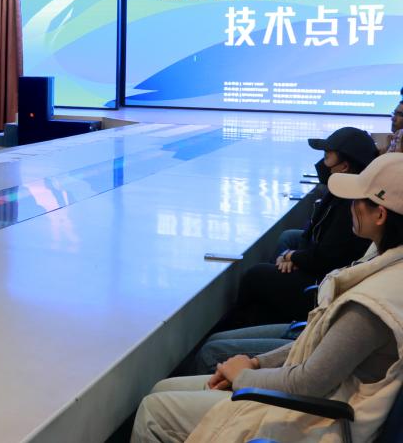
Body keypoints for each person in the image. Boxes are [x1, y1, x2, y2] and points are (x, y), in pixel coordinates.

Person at [132, 153, 403, 443]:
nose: (351, 206)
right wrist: (256, 364)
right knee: (161, 389)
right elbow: (320, 347)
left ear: (380, 215)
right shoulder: (384, 263)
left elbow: (309, 382)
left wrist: (243, 377)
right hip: (313, 398)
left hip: (312, 419)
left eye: (357, 200)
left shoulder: (369, 305)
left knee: (153, 411)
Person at [217, 127, 377, 329]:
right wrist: (294, 257)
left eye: (326, 157)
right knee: (288, 240)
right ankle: (265, 311)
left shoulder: (351, 206)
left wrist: (292, 257)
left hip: (324, 285)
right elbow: (314, 230)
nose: (322, 163)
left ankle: (239, 325)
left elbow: (327, 258)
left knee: (255, 275)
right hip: (323, 267)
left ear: (344, 166)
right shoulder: (340, 191)